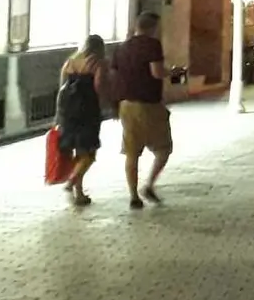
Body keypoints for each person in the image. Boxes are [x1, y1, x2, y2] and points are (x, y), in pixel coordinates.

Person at [113, 11, 172, 209]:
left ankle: (133, 196)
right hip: (149, 104)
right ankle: (149, 185)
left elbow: (115, 75)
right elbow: (157, 72)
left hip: (126, 104)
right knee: (164, 148)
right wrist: (172, 71)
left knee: (132, 152)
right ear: (153, 27)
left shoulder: (122, 47)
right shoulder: (152, 45)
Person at [57, 35, 106, 207]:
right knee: (89, 153)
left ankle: (79, 194)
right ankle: (72, 181)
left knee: (79, 153)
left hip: (69, 112)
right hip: (88, 111)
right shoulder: (98, 63)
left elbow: (61, 89)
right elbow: (99, 86)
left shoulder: (70, 61)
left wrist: (58, 115)